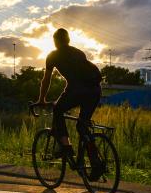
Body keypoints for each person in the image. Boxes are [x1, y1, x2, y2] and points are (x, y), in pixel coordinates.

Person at [35, 28, 103, 180]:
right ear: (68, 40)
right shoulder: (78, 52)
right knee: (82, 126)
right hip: (95, 91)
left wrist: (41, 99)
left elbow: (46, 79)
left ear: (55, 42)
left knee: (58, 109)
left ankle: (66, 146)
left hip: (77, 90)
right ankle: (95, 163)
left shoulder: (52, 56)